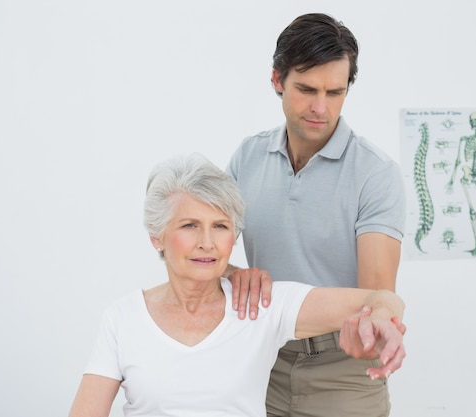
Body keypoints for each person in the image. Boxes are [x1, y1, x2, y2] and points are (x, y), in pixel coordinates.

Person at [68, 153, 406, 417]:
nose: (207, 242)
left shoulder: (261, 303)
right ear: (157, 237)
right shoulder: (123, 318)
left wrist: (380, 315)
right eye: (189, 225)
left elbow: (382, 297)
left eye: (220, 226)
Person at [225, 13, 406, 417]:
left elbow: (376, 292)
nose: (320, 108)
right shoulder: (247, 157)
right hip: (259, 361)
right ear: (277, 80)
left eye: (335, 92)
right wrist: (237, 276)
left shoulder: (376, 173)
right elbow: (203, 254)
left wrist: (378, 322)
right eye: (306, 89)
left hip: (344, 373)